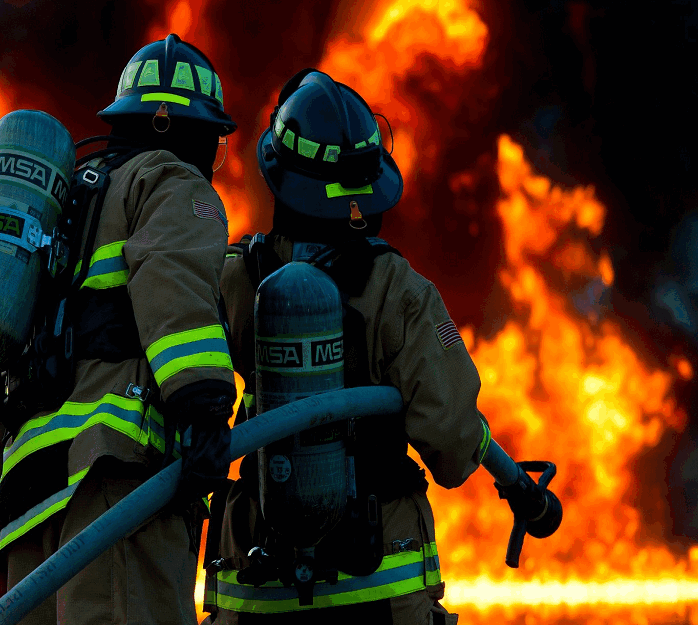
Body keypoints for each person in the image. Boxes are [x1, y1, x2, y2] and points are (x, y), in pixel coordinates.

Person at [0, 34, 238, 625]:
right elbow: (174, 295)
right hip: (113, 486)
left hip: (27, 498)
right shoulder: (167, 183)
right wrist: (205, 409)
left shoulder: (61, 204)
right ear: (186, 131)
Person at [205, 69, 492, 625]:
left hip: (259, 590)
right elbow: (454, 447)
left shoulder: (235, 280)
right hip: (377, 589)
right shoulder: (399, 291)